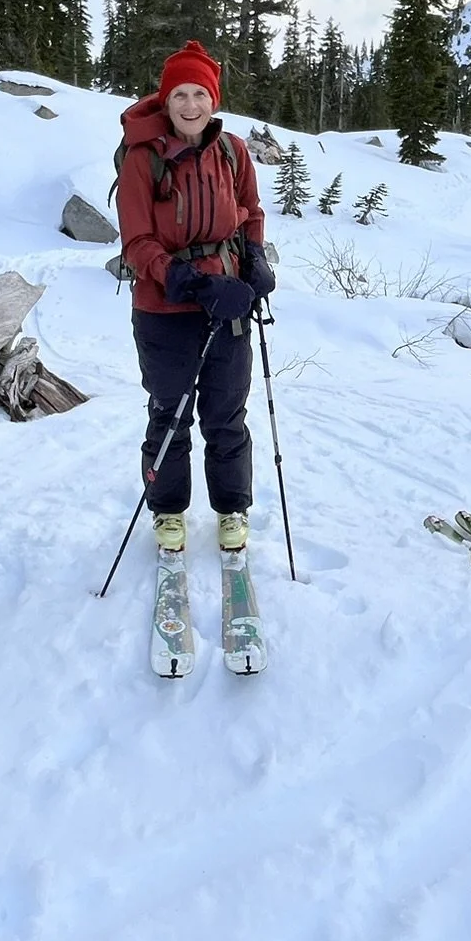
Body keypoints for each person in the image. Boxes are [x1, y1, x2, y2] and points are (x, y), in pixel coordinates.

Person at [114, 40, 275, 557]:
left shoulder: (233, 151)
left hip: (229, 305)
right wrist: (197, 283)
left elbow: (250, 211)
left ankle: (232, 509)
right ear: (165, 100)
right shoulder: (144, 159)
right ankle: (167, 512)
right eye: (179, 94)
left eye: (199, 94)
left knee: (227, 415)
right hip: (165, 311)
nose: (189, 105)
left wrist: (254, 261)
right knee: (170, 413)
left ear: (213, 99)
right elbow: (138, 243)